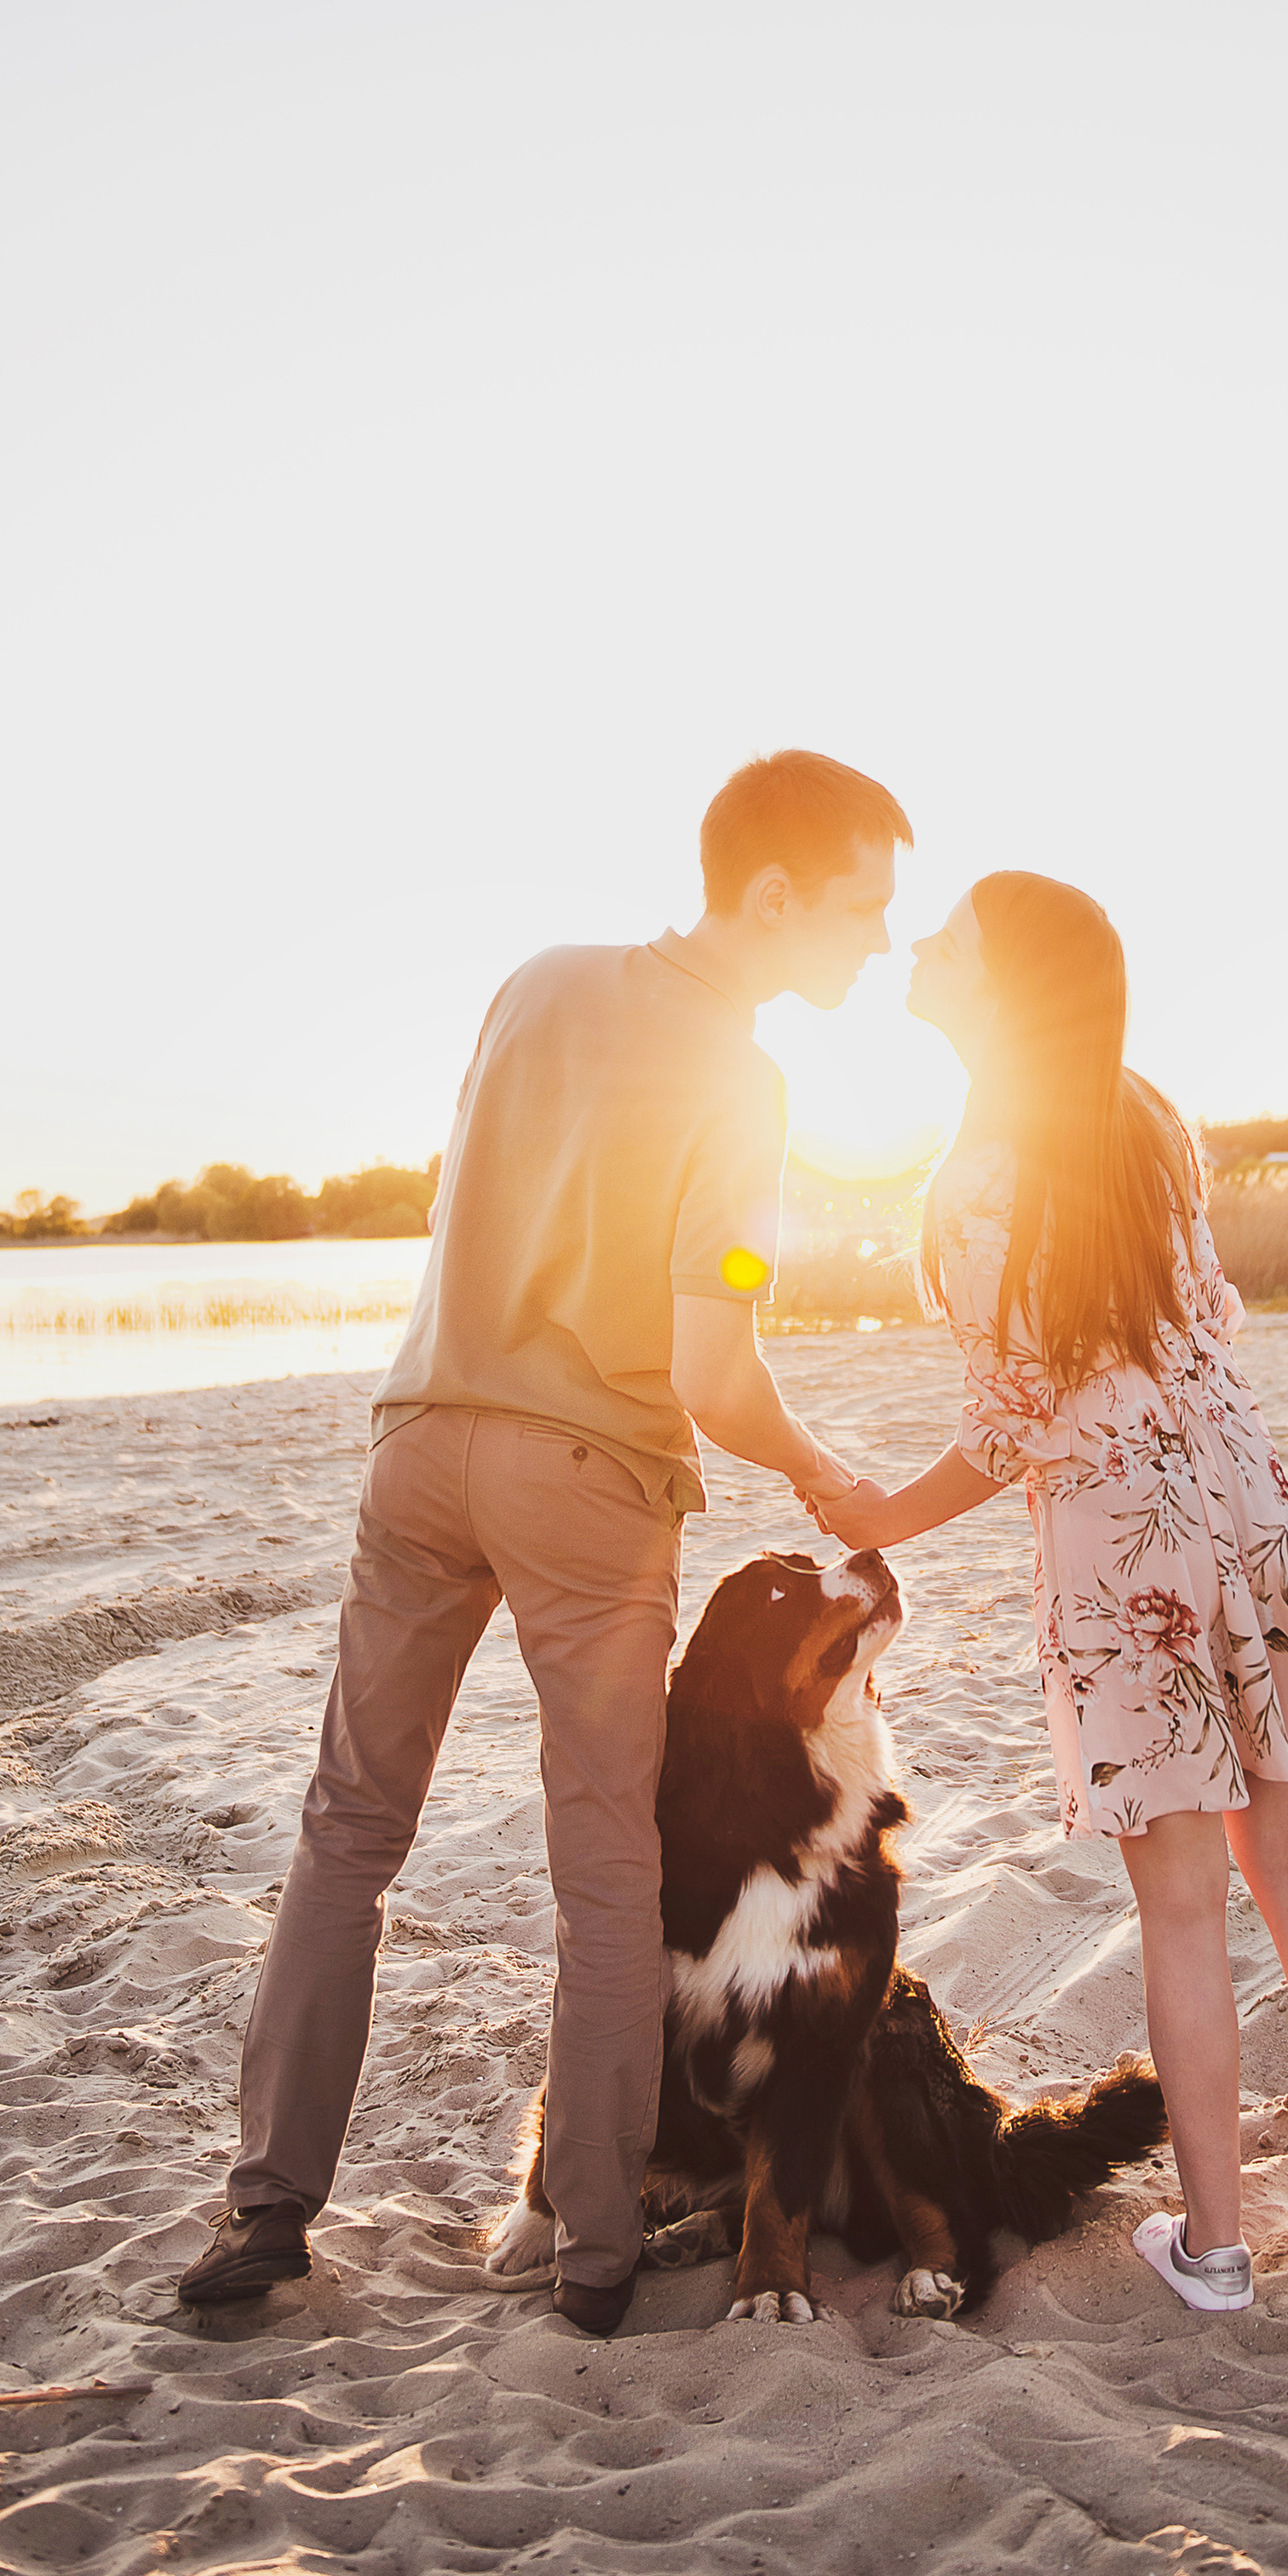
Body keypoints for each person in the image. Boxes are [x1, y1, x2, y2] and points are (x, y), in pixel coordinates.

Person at [179, 751, 912, 2336]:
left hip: (420, 1442)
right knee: (608, 1866)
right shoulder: (746, 1085)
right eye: (862, 906)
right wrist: (821, 1468)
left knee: (346, 1831)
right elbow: (713, 1369)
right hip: (586, 1482)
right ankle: (592, 2252)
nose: (878, 938)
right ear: (771, 891)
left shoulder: (535, 984)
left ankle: (268, 2208)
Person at [819, 873, 1288, 2312]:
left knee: (1180, 1907)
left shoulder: (975, 1181)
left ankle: (1216, 2252)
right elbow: (1201, 1321)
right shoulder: (1147, 1114)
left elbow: (1012, 1421)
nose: (920, 943)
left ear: (1001, 986)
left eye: (950, 936)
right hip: (1245, 1509)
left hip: (1129, 1549)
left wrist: (879, 1515)